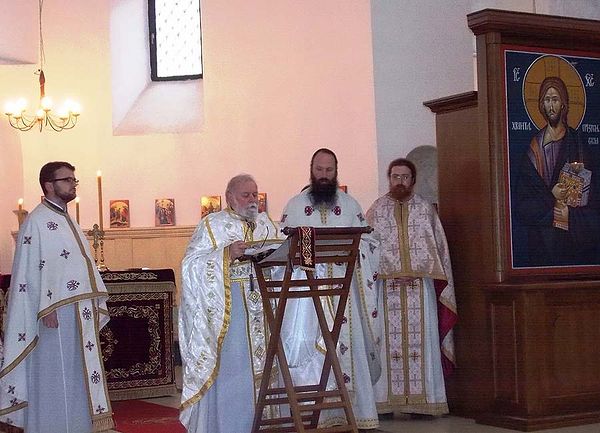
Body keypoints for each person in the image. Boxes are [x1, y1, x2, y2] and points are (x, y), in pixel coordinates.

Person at [0, 161, 114, 433]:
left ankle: (77, 426)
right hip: (52, 313)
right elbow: (28, 270)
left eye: (75, 180)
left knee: (75, 374)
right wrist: (45, 306)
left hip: (77, 310)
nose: (73, 184)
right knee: (54, 373)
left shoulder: (66, 218)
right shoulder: (37, 221)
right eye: (67, 180)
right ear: (49, 185)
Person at [280, 148, 381, 431]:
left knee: (349, 347)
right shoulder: (295, 206)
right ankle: (311, 415)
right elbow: (283, 248)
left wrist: (352, 250)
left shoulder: (350, 205)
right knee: (311, 350)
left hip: (344, 289)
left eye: (329, 170)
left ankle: (355, 414)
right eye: (319, 170)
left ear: (336, 172)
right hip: (307, 294)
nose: (324, 175)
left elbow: (369, 244)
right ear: (311, 170)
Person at [179, 174, 282, 433]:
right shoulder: (212, 224)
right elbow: (190, 265)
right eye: (246, 195)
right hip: (230, 310)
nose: (252, 200)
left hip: (265, 306)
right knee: (235, 369)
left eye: (255, 195)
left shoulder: (267, 224)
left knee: (268, 367)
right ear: (230, 197)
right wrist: (226, 254)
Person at [366, 158, 457, 417]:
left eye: (405, 177)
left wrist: (417, 271)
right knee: (385, 344)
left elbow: (440, 250)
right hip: (386, 289)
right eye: (395, 176)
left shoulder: (425, 210)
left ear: (413, 180)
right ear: (389, 178)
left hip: (420, 288)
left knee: (422, 345)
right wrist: (388, 272)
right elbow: (367, 250)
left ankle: (424, 403)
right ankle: (384, 402)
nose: (400, 181)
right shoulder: (377, 210)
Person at [514, 76, 600, 266]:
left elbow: (595, 202)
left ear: (563, 104)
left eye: (555, 99)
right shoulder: (533, 150)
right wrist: (551, 197)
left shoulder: (578, 144)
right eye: (547, 100)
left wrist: (570, 216)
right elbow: (522, 206)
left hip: (572, 247)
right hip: (540, 247)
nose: (551, 106)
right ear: (541, 105)